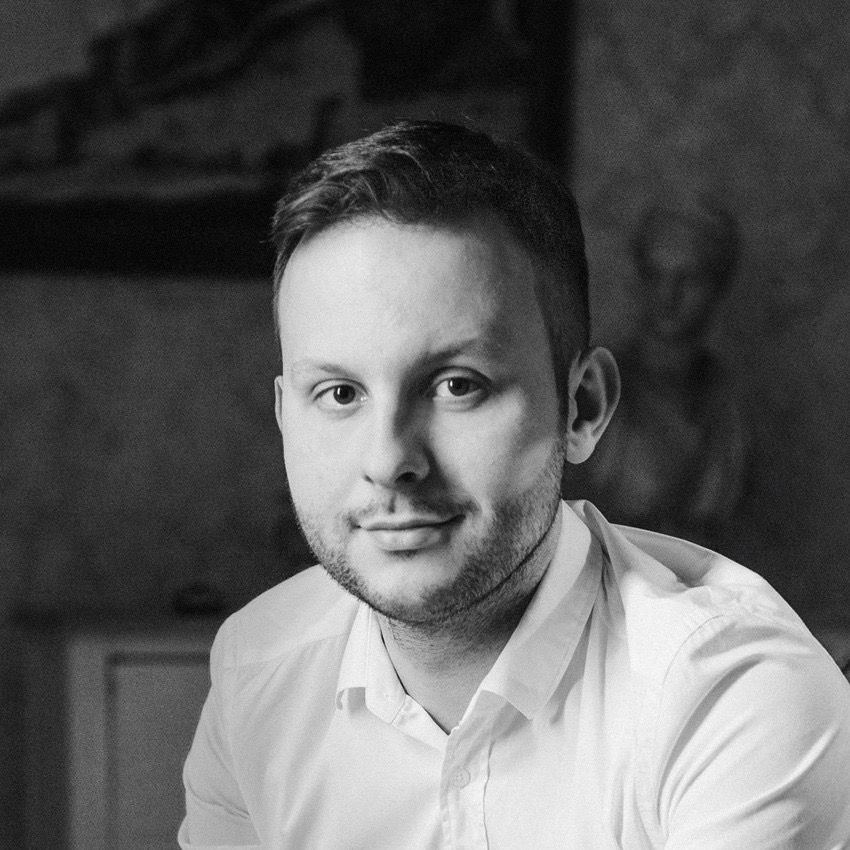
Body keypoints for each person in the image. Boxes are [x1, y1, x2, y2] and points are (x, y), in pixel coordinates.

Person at [180, 120, 850, 849]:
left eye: (457, 385)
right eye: (340, 394)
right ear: (286, 417)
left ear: (582, 407)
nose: (390, 460)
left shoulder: (731, 693)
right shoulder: (256, 671)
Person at [570, 200, 748, 543]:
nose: (668, 294)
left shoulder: (728, 403)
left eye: (688, 278)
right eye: (655, 275)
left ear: (717, 287)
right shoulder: (596, 386)